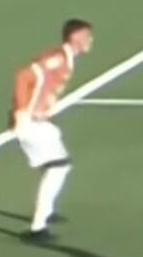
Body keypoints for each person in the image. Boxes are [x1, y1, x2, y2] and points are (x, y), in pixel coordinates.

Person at [12, 19, 93, 242]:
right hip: (30, 122)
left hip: (40, 122)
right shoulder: (58, 58)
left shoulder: (66, 59)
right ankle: (38, 227)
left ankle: (45, 208)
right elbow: (23, 76)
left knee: (54, 164)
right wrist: (21, 111)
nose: (90, 40)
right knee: (59, 167)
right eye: (87, 36)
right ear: (75, 37)